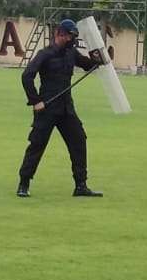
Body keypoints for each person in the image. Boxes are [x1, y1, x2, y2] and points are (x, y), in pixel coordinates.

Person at [17, 18, 105, 199]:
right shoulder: (45, 54)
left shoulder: (71, 53)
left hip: (66, 109)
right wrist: (35, 101)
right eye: (70, 36)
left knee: (79, 141)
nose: (72, 40)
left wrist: (98, 58)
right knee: (37, 145)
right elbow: (27, 76)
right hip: (46, 108)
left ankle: (81, 185)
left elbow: (87, 64)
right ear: (60, 34)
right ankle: (24, 183)